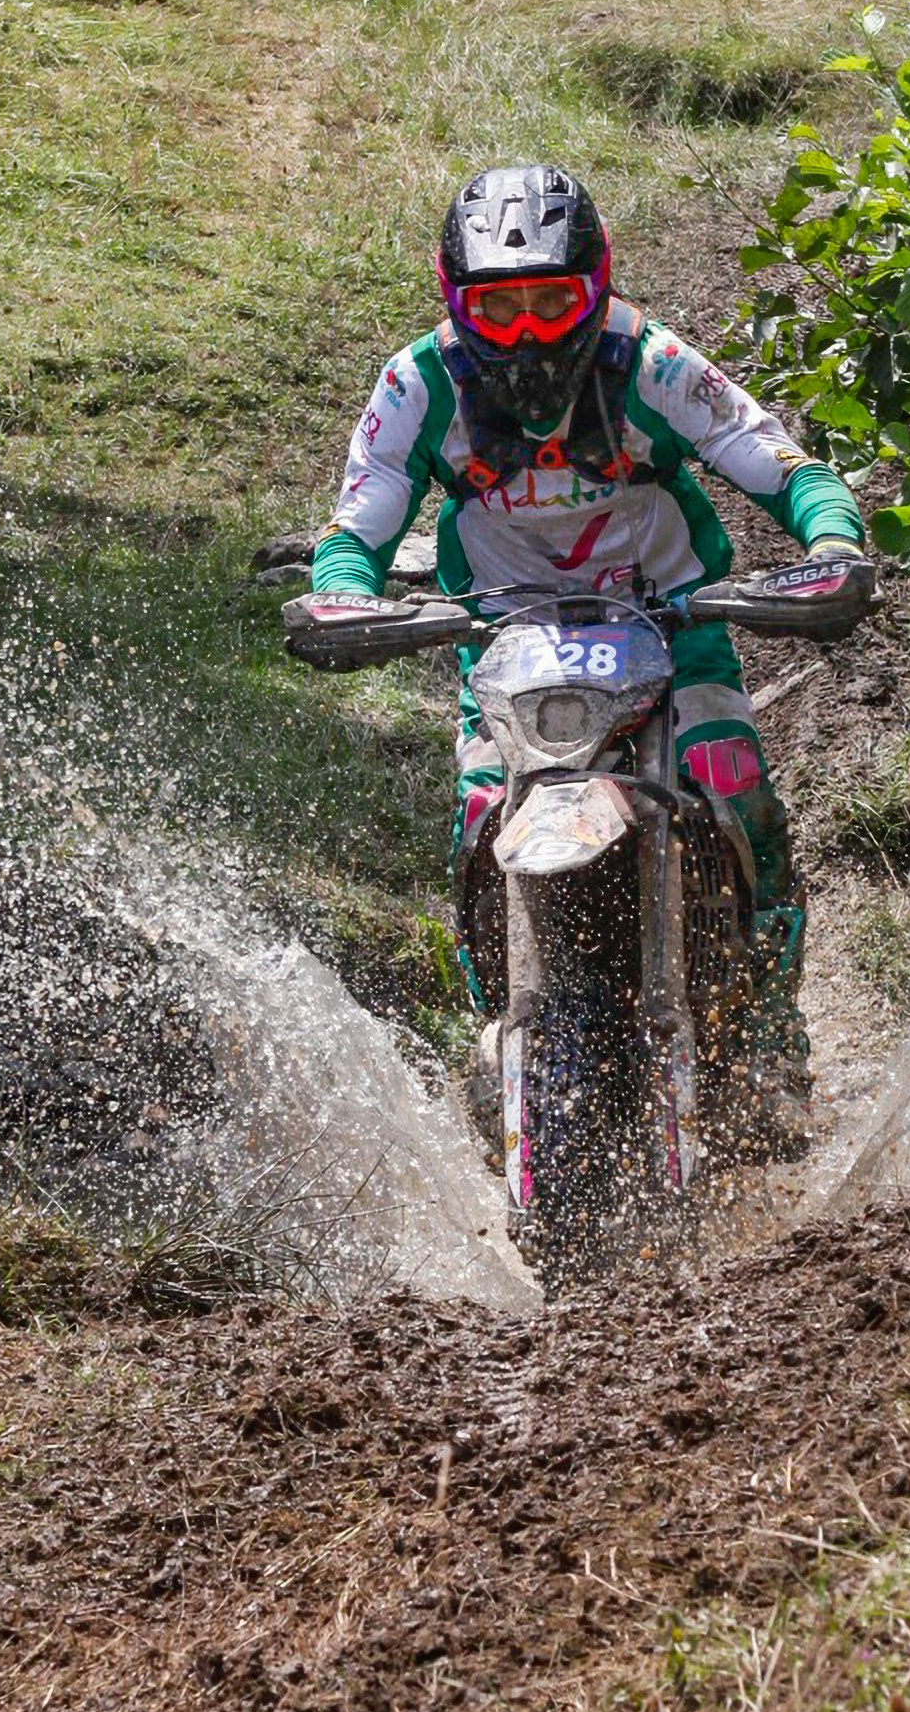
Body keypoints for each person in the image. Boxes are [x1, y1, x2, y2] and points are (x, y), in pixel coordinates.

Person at [309, 161, 864, 1093]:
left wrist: (835, 540)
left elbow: (779, 462)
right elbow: (357, 524)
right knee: (479, 824)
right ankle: (499, 1036)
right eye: (500, 306)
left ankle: (772, 1033)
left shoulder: (650, 361)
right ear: (456, 299)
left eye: (550, 298)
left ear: (596, 282)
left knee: (740, 790)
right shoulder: (417, 382)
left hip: (671, 617)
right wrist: (342, 596)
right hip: (501, 640)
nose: (528, 329)